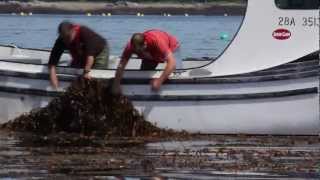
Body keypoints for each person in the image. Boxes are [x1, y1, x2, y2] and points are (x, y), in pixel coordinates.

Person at [113, 29, 179, 93]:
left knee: (178, 74)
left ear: (145, 44)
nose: (139, 52)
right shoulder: (130, 47)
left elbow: (172, 63)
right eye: (136, 51)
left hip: (172, 47)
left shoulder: (157, 41)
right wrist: (116, 84)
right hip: (151, 57)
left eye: (140, 50)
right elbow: (121, 65)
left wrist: (159, 81)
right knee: (143, 76)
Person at [48, 21, 109, 89]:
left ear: (73, 30)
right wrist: (55, 85)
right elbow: (52, 64)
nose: (66, 40)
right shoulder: (61, 40)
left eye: (68, 37)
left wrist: (86, 72)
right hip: (81, 53)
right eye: (64, 38)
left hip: (99, 51)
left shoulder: (84, 32)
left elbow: (90, 56)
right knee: (74, 73)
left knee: (96, 75)